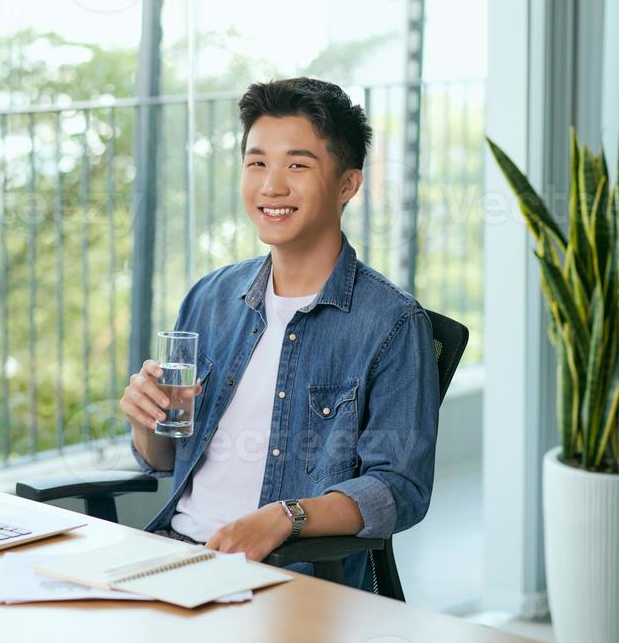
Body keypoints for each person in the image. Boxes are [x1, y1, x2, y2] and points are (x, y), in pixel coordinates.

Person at [123, 77, 439, 593]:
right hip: (173, 561)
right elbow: (162, 459)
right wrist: (148, 421)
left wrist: (283, 518)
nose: (271, 185)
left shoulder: (393, 324)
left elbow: (399, 490)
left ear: (347, 185)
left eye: (297, 164)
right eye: (256, 163)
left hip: (285, 582)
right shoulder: (210, 298)